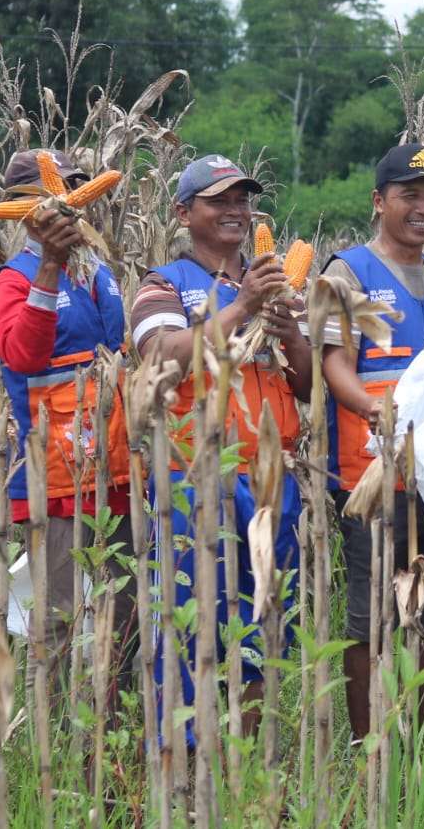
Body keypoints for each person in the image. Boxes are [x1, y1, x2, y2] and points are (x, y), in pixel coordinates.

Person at [131, 154, 309, 736]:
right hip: (194, 474)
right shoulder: (163, 285)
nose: (235, 211)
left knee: (264, 619)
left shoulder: (276, 284)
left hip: (271, 478)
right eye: (219, 200)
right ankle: (182, 753)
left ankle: (253, 754)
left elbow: (305, 385)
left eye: (242, 200)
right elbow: (157, 358)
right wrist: (241, 309)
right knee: (190, 615)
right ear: (184, 213)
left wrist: (290, 335)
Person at [318, 143, 424, 741]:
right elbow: (335, 367)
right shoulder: (346, 273)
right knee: (372, 618)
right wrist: (378, 411)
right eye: (410, 194)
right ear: (379, 201)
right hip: (373, 476)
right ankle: (366, 745)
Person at [0, 149, 135, 666]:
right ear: (29, 208)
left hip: (116, 470)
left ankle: (113, 741)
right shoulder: (15, 278)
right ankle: (54, 740)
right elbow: (22, 356)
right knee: (57, 621)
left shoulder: (98, 272)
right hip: (55, 475)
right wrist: (50, 265)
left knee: (124, 617)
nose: (76, 201)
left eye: (79, 187)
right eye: (62, 190)